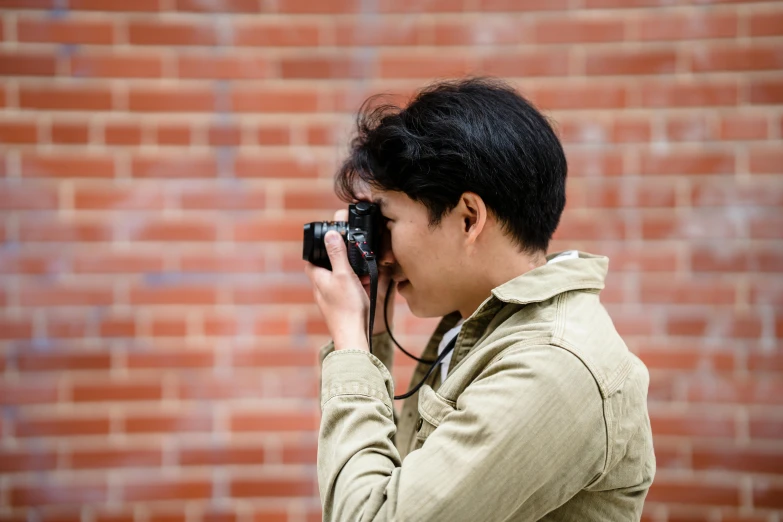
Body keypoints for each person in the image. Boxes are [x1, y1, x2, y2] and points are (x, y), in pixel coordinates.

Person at [304, 77, 655, 521]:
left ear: (469, 218)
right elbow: (407, 488)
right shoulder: (476, 329)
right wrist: (372, 330)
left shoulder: (552, 365)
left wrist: (350, 346)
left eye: (387, 220)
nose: (382, 250)